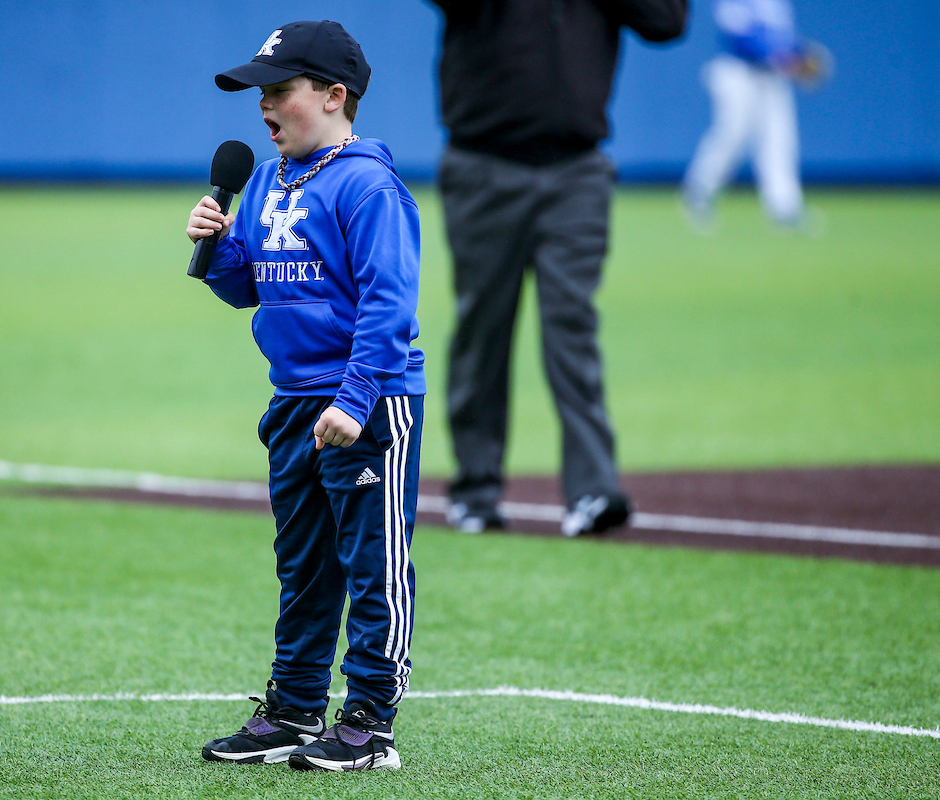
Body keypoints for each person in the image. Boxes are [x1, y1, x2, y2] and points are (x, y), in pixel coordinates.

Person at [185, 20, 426, 772]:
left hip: (366, 402)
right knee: (304, 565)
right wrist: (219, 246)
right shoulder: (264, 180)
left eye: (279, 89)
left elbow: (389, 303)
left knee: (371, 560)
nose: (264, 105)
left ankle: (370, 721)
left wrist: (356, 401)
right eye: (259, 91)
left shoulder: (367, 184)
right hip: (293, 401)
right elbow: (247, 287)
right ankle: (293, 708)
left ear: (333, 95)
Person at [428, 0, 687, 536]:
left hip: (578, 170)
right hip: (483, 165)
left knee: (572, 322)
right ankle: (475, 490)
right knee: (484, 326)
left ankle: (593, 490)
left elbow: (667, 20)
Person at [681, 0, 822, 230]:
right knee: (731, 137)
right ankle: (699, 192)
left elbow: (784, 36)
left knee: (780, 140)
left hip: (772, 74)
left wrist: (799, 55)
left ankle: (785, 208)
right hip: (737, 72)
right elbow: (741, 35)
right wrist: (786, 57)